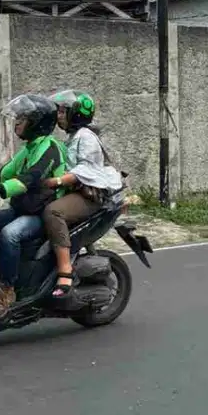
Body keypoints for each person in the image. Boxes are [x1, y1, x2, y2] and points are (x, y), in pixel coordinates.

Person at [0, 93, 66, 319]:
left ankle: (6, 291)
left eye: (23, 118)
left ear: (38, 123)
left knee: (9, 235)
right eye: (18, 117)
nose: (17, 122)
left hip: (42, 212)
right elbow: (3, 174)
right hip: (22, 208)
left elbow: (30, 177)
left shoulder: (50, 148)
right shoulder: (29, 148)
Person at [41, 91, 123, 300]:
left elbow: (86, 170)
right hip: (75, 192)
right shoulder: (72, 138)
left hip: (90, 196)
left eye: (63, 111)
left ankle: (65, 271)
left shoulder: (86, 137)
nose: (58, 115)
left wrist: (57, 181)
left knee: (54, 212)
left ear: (76, 115)